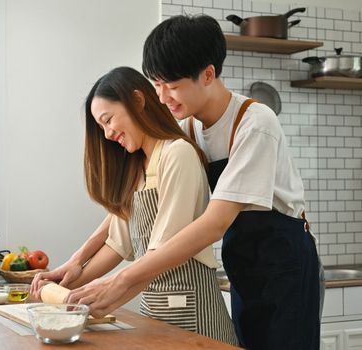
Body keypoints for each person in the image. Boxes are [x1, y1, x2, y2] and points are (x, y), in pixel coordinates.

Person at [34, 15, 321, 350]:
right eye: (156, 85)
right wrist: (78, 260)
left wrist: (119, 281)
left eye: (171, 86)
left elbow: (216, 222)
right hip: (244, 262)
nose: (162, 97)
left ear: (208, 74)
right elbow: (128, 209)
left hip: (284, 261)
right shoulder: (188, 128)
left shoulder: (255, 123)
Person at [33, 66, 238, 345]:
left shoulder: (177, 154)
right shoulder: (138, 169)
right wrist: (68, 283)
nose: (106, 134)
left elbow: (165, 249)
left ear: (138, 101)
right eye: (101, 127)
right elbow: (117, 245)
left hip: (194, 314)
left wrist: (107, 288)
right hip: (154, 312)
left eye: (108, 120)